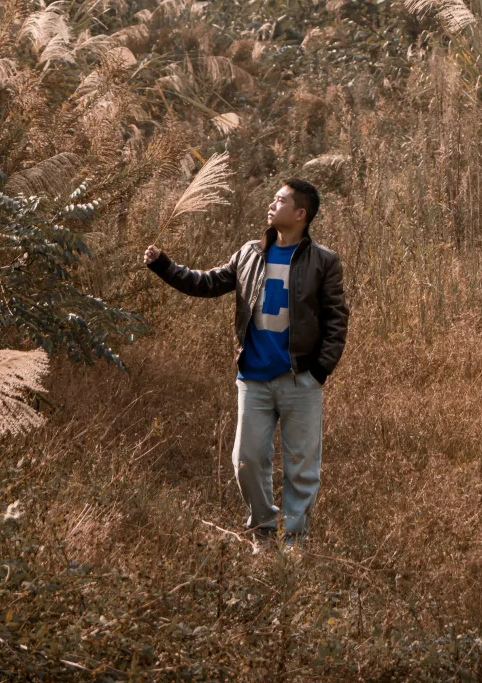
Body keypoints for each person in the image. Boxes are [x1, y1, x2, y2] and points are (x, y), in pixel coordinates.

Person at [144, 178, 348, 552]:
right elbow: (207, 283)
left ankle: (296, 543)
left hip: (300, 378)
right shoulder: (250, 254)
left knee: (301, 466)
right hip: (252, 377)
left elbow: (337, 317)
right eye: (273, 198)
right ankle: (264, 533)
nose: (272, 204)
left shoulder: (323, 260)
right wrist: (164, 266)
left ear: (301, 214)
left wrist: (321, 370)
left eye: (281, 200)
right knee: (247, 460)